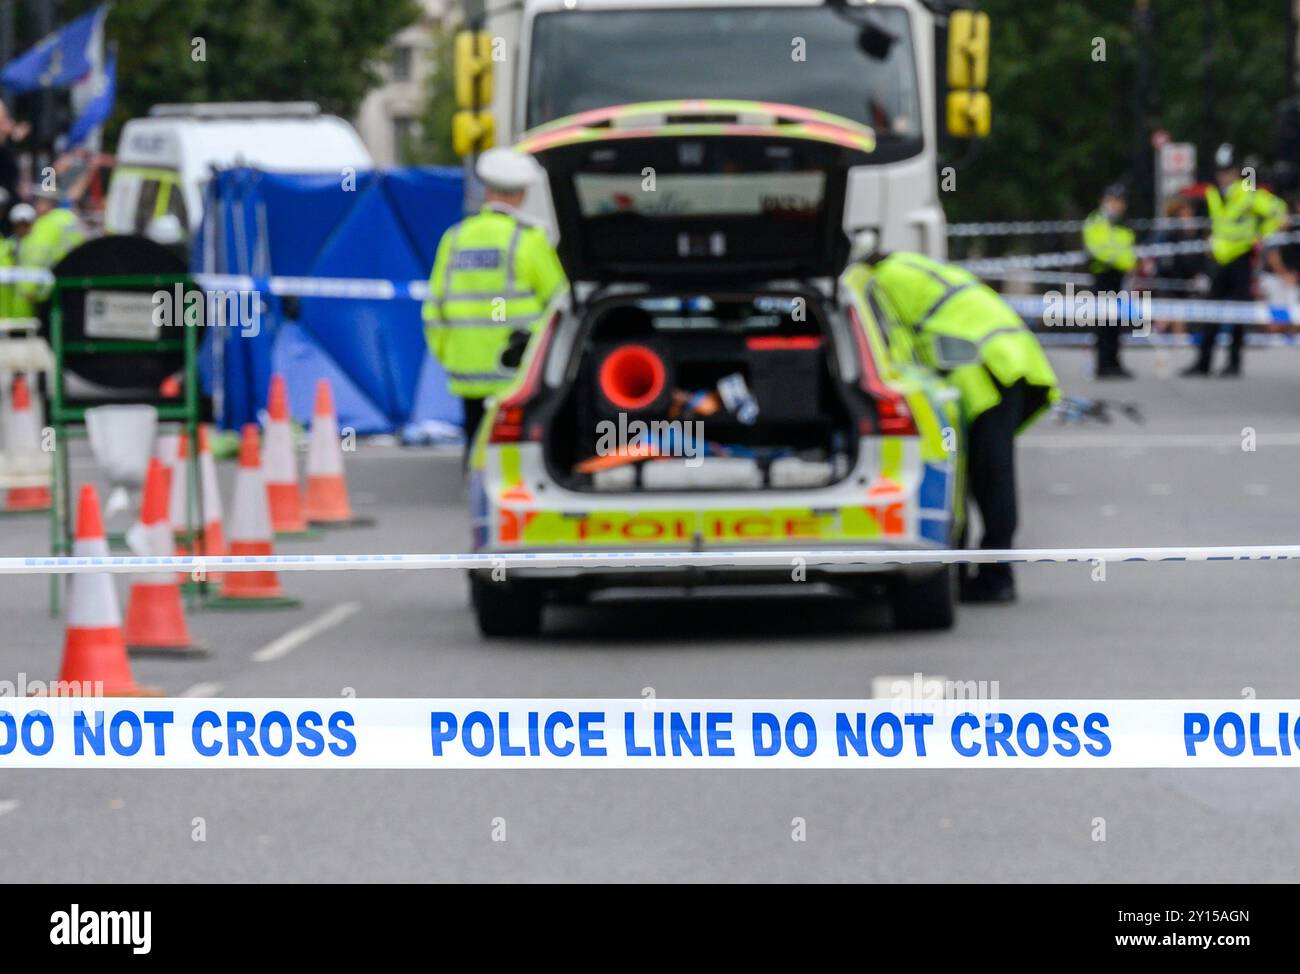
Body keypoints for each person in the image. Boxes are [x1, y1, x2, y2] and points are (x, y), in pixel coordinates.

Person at [868, 251, 1060, 603]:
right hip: (1011, 352)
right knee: (987, 473)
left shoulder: (878, 283)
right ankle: (980, 571)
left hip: (985, 364)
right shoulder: (908, 265)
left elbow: (893, 353)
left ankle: (995, 577)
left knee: (989, 476)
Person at [423, 147, 567, 463]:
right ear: (523, 194)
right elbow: (560, 301)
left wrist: (451, 354)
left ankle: (475, 495)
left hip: (467, 369)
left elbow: (433, 309)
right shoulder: (529, 240)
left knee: (475, 441)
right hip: (516, 369)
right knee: (514, 448)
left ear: (488, 190)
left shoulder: (455, 238)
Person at [1182, 144, 1285, 377]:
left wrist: (1263, 233)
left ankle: (1233, 363)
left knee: (1239, 313)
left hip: (1240, 257)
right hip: (1218, 259)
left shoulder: (1247, 190)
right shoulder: (1212, 193)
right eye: (1220, 171)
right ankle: (1203, 363)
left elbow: (1277, 210)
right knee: (1211, 312)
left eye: (1227, 171)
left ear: (1236, 171)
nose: (1223, 176)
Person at [1082, 183, 1137, 378]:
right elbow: (1098, 248)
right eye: (1113, 200)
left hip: (1119, 277)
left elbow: (1128, 249)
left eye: (1120, 201)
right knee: (1104, 322)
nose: (1117, 205)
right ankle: (1103, 365)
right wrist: (1123, 261)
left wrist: (1127, 263)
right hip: (1103, 276)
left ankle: (1114, 363)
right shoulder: (1096, 220)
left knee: (1116, 322)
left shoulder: (1123, 224)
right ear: (1104, 201)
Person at [14, 188, 86, 306]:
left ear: (47, 203)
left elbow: (36, 258)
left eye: (38, 201)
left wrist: (28, 289)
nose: (36, 205)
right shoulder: (70, 219)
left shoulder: (46, 224)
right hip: (72, 282)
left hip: (48, 289)